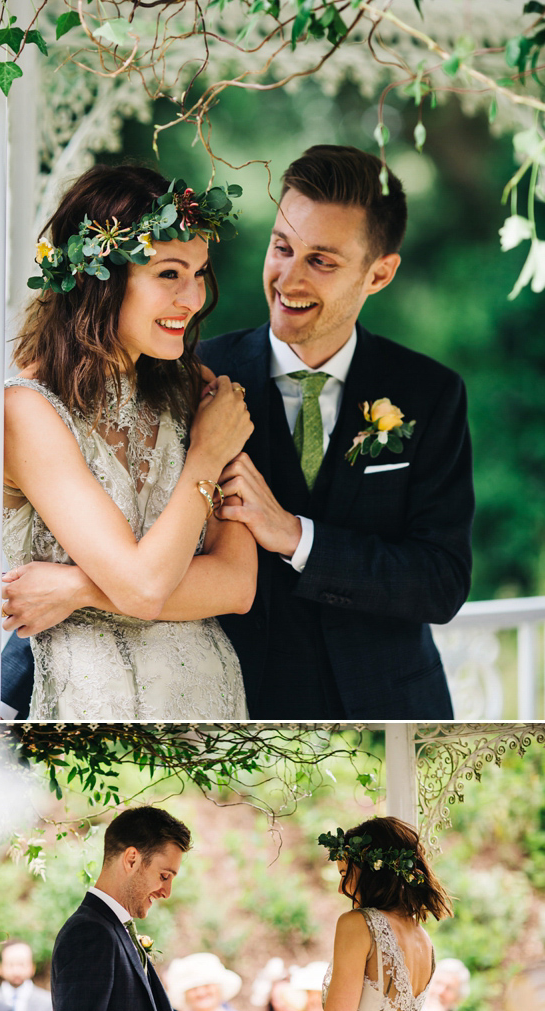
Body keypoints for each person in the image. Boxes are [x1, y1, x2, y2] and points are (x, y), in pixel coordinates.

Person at [199, 144, 473, 717]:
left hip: (390, 701)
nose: (287, 278)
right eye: (282, 248)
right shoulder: (196, 377)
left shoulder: (430, 393)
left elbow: (441, 581)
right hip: (241, 704)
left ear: (380, 273)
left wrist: (296, 536)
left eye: (321, 260)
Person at [0, 164, 256, 719]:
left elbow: (237, 584)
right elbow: (142, 589)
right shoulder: (27, 410)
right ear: (101, 276)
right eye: (169, 274)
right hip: (93, 704)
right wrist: (208, 455)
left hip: (208, 695)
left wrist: (77, 589)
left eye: (199, 273)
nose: (192, 299)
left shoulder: (193, 391)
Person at [213, 816, 450, 1011]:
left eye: (345, 874)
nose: (342, 888)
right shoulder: (423, 939)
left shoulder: (358, 924)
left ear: (371, 870)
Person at [51, 805, 217, 1011]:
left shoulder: (113, 930)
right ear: (131, 859)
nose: (167, 891)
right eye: (164, 875)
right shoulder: (90, 932)